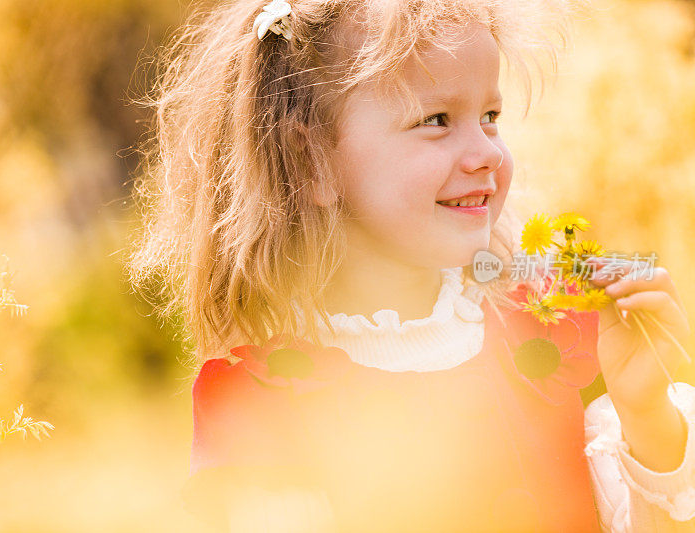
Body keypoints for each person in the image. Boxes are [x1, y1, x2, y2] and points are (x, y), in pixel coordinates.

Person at [126, 0, 695, 531]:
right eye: (436, 119)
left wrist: (645, 413)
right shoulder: (259, 402)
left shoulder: (562, 327)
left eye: (490, 115)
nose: (489, 154)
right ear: (310, 160)